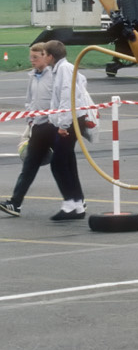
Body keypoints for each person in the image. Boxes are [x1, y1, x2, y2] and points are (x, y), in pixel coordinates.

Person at [1, 40, 92, 221]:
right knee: (49, 162)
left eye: (36, 57)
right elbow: (33, 100)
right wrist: (31, 120)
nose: (32, 61)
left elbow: (67, 96)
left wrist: (62, 125)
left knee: (60, 163)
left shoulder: (59, 71)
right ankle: (74, 202)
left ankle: (72, 204)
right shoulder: (36, 75)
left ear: (47, 56)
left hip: (56, 125)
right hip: (44, 124)